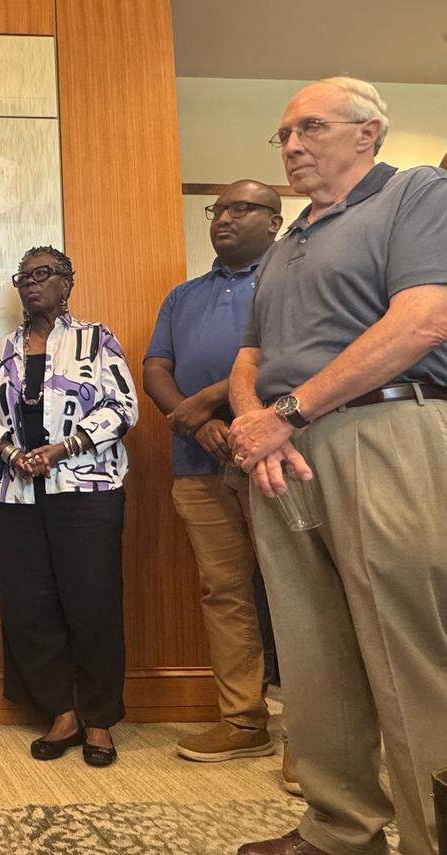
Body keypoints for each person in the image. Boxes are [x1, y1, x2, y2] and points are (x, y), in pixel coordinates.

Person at [229, 77, 447, 855]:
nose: (291, 145)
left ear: (368, 131)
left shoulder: (416, 193)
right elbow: (250, 354)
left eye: (310, 128)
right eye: (283, 135)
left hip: (383, 431)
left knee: (408, 650)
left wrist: (289, 412)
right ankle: (341, 829)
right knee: (313, 649)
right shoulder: (287, 242)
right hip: (283, 457)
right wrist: (258, 419)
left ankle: (432, 835)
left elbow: (423, 318)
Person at [143, 180, 298, 787]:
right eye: (217, 209)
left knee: (296, 593)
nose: (224, 218)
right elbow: (156, 366)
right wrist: (195, 421)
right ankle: (243, 721)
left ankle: (313, 739)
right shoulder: (183, 296)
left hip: (278, 455)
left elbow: (288, 357)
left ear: (274, 220)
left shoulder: (288, 280)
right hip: (199, 467)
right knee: (224, 591)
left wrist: (209, 404)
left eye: (241, 208)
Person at [0, 246, 138, 766]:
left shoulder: (95, 339)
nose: (31, 283)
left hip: (87, 492)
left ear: (68, 282)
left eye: (44, 274)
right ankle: (60, 714)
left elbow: (122, 407)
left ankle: (100, 720)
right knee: (29, 607)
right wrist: (13, 452)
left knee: (93, 603)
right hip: (13, 496)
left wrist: (64, 448)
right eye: (24, 276)